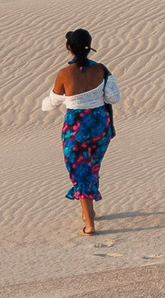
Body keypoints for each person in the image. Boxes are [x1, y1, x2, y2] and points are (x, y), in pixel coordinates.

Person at [39, 27, 119, 234]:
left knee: (80, 171)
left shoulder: (64, 74)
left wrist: (47, 102)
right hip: (100, 125)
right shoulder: (101, 69)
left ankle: (90, 224)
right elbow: (113, 98)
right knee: (92, 166)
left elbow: (52, 103)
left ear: (69, 49)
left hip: (76, 128)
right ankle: (87, 212)